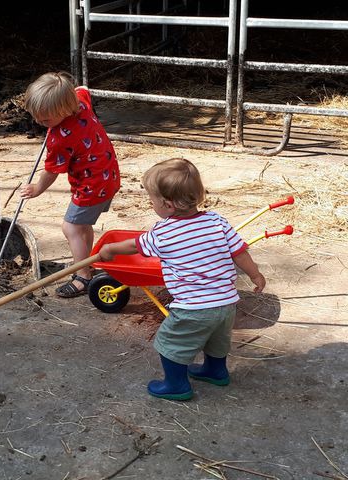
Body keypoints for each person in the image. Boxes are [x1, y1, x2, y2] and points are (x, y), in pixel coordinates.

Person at [98, 158, 265, 401]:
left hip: (193, 308)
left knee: (169, 342)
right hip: (226, 304)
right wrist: (255, 274)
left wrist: (111, 250)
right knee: (217, 341)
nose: (151, 204)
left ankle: (176, 385)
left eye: (152, 200)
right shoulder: (217, 221)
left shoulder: (163, 233)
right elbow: (239, 251)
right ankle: (216, 371)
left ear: (166, 205)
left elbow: (135, 245)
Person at [20, 72, 120, 298]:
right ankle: (85, 262)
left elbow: (52, 171)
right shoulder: (80, 101)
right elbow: (83, 88)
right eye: (36, 117)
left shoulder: (60, 137)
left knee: (71, 227)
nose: (40, 123)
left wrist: (37, 188)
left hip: (92, 185)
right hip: (108, 176)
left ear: (65, 110)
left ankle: (83, 276)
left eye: (45, 120)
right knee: (82, 226)